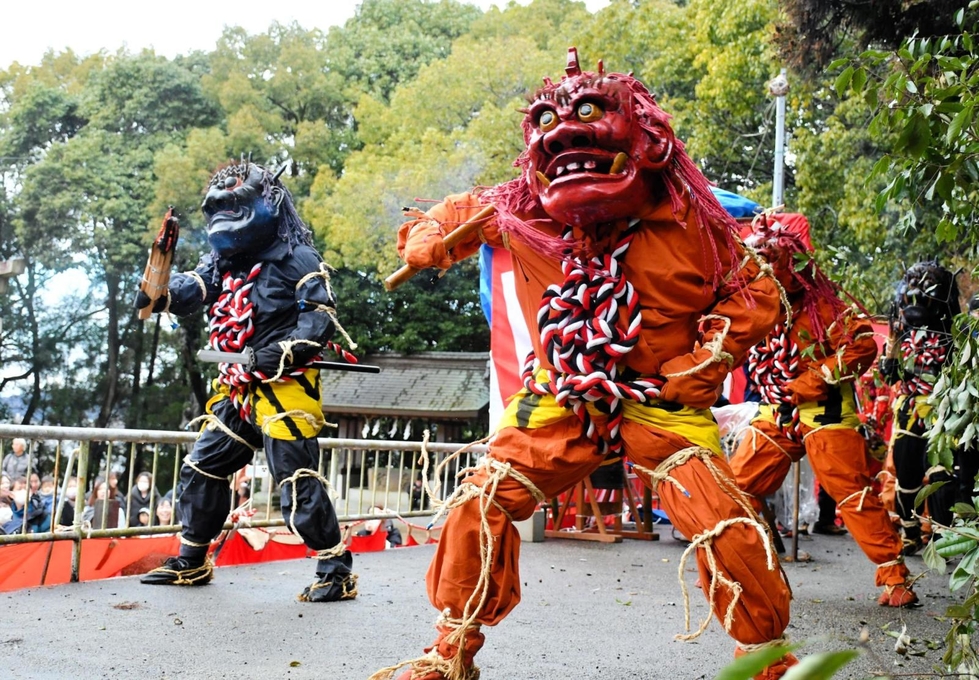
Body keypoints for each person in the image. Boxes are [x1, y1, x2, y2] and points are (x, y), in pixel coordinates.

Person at [372, 49, 794, 680]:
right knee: (478, 503)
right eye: (545, 123)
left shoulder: (693, 220)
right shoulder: (517, 206)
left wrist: (710, 351)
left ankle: (764, 655)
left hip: (662, 403)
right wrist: (428, 233)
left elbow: (757, 292)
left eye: (592, 117)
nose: (561, 135)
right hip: (560, 400)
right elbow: (452, 213)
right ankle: (450, 646)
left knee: (725, 523)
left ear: (647, 138)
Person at [137, 159, 357, 602]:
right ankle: (193, 560)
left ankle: (336, 569)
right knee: (202, 466)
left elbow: (318, 325)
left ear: (270, 200)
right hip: (237, 388)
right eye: (217, 206)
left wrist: (276, 352)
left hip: (285, 387)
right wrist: (162, 292)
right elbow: (196, 287)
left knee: (294, 477)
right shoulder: (224, 261)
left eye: (235, 204)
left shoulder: (300, 259)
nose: (223, 211)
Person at [728, 221, 917, 608]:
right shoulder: (759, 307)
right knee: (735, 487)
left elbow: (862, 345)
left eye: (771, 261)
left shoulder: (825, 307)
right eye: (757, 262)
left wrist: (818, 377)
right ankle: (743, 567)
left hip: (826, 416)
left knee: (853, 497)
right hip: (777, 413)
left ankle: (896, 577)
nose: (763, 270)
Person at [879, 261, 978, 551]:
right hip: (910, 412)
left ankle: (940, 533)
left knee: (940, 475)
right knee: (906, 472)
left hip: (942, 415)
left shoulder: (954, 338)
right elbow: (891, 376)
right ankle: (909, 532)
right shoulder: (906, 336)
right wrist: (893, 344)